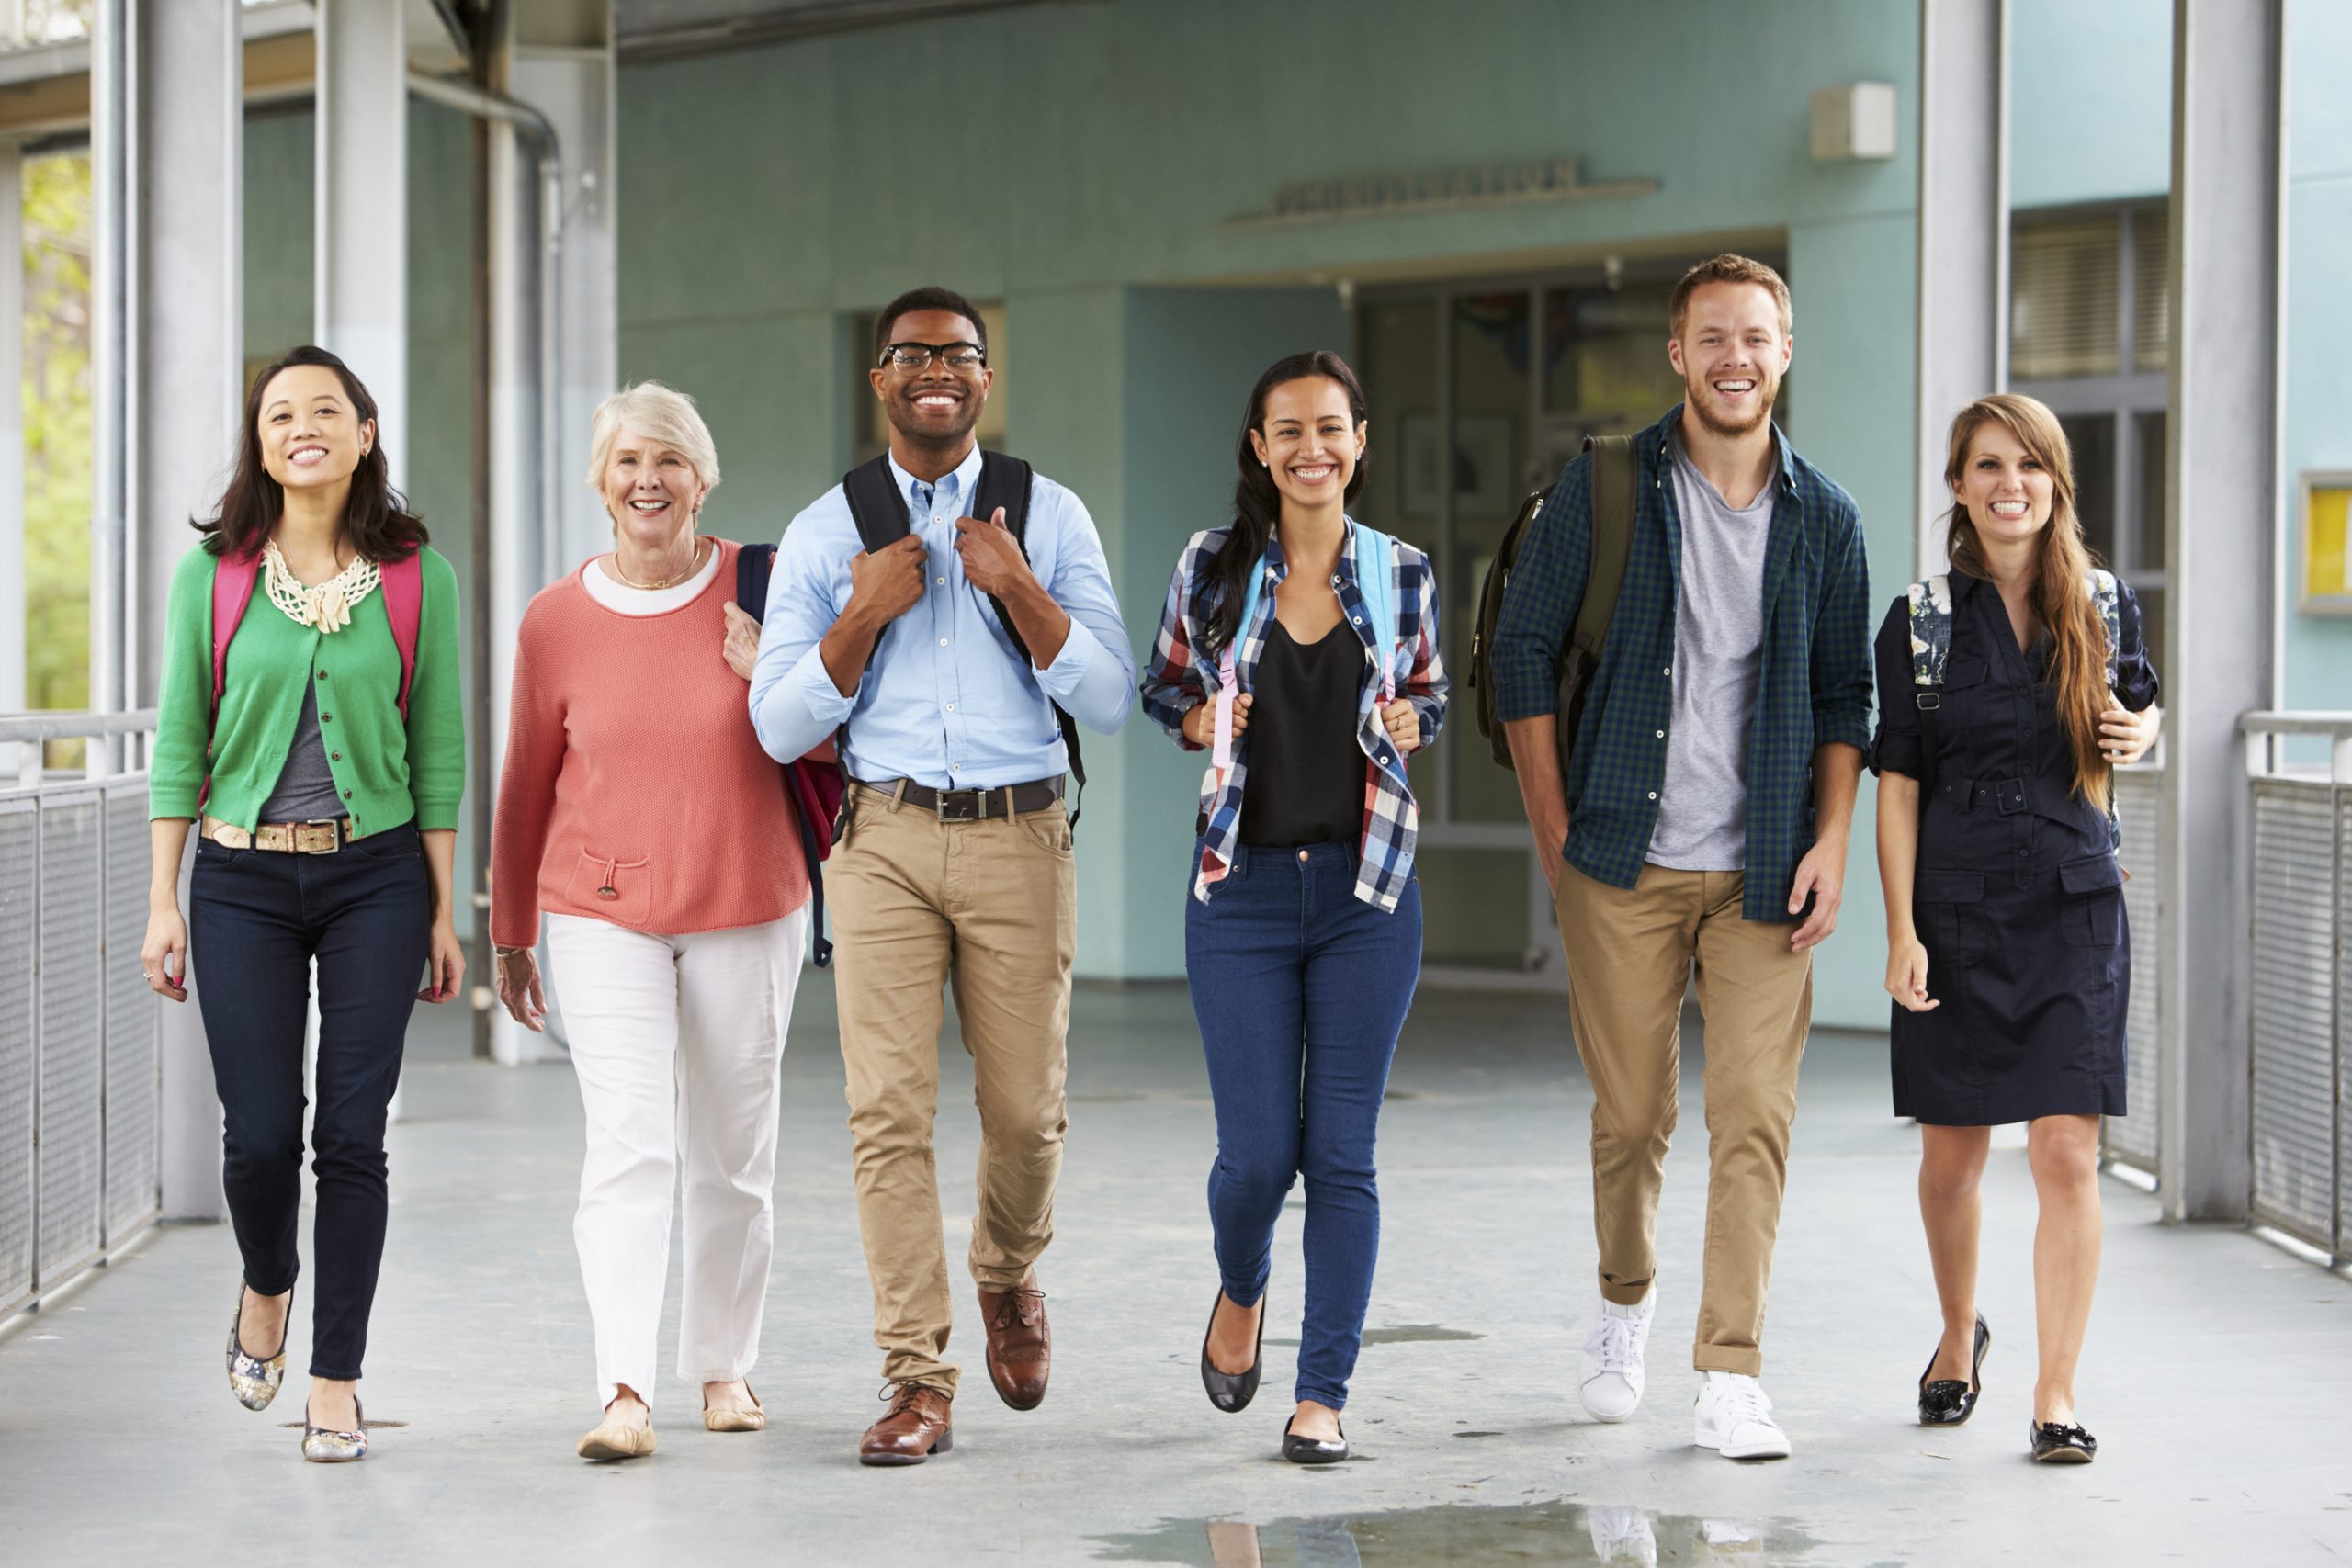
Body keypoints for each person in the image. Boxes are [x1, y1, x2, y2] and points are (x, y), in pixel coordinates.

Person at [1489, 254, 1872, 1461]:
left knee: (1753, 1112)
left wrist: (1833, 835)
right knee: (1636, 1112)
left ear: (1785, 349)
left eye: (1756, 336)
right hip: (1620, 853)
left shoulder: (1830, 516)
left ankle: (1731, 1370)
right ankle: (1623, 1301)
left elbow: (1848, 692)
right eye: (1713, 336)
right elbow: (1518, 653)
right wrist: (1555, 832)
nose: (1735, 357)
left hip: (1765, 864)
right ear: (1678, 352)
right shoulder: (1605, 488)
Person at [750, 286, 1134, 1464]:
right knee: (887, 1117)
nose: (936, 370)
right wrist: (858, 620)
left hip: (1023, 833)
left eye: (958, 355)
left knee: (1026, 1113)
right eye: (911, 354)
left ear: (982, 377)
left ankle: (1007, 1271)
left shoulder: (1050, 514)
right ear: (880, 380)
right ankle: (916, 1377)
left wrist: (1018, 587)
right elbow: (774, 722)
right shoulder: (830, 532)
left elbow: (1113, 698)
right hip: (886, 841)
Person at [140, 345, 466, 1463]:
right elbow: (181, 741)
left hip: (374, 875)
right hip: (238, 883)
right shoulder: (214, 575)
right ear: (261, 442)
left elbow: (438, 747)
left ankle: (335, 1378)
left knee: (353, 1138)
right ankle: (266, 1283)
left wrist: (437, 905)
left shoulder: (418, 575)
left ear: (364, 433)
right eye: (280, 413)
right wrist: (162, 900)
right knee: (261, 1137)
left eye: (326, 408)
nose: (302, 425)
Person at [491, 381, 814, 1461]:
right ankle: (623, 1388)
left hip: (747, 898)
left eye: (670, 460)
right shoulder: (555, 620)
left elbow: (842, 747)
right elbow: (526, 783)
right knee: (630, 1146)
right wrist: (510, 928)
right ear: (600, 482)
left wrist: (771, 669)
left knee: (734, 1149)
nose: (648, 480)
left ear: (703, 477)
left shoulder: (769, 593)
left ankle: (724, 1367)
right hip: (600, 912)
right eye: (629, 461)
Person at [1140, 350, 1446, 1465]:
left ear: (1360, 440)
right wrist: (1207, 727)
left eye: (1331, 428)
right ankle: (1240, 1285)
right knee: (1260, 1158)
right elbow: (1165, 688)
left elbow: (1425, 692)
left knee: (1344, 1157)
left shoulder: (1402, 569)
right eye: (1289, 431)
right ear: (1259, 448)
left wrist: (1419, 722)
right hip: (1242, 893)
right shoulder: (1213, 566)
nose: (1311, 449)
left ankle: (1322, 1395)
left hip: (1369, 890)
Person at [1872, 393, 2160, 1464]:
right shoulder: (1921, 621)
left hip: (2074, 904)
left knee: (2066, 1155)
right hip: (1952, 911)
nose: (2010, 484)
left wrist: (2146, 726)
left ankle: (2055, 1390)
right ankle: (1958, 1332)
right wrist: (1898, 927)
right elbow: (1896, 780)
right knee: (1953, 1160)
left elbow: (2139, 705)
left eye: (2030, 465)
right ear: (1957, 485)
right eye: (1987, 465)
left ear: (2056, 482)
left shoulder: (2104, 604)